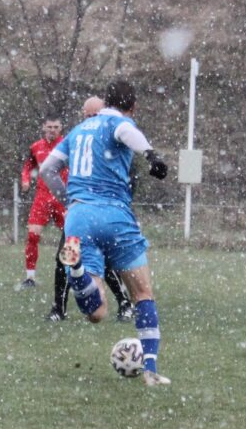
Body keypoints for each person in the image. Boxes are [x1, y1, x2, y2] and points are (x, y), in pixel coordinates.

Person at [39, 79, 172, 386]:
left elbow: (46, 170)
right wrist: (151, 155)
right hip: (115, 215)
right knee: (142, 294)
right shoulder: (118, 123)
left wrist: (69, 200)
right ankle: (150, 369)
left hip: (78, 218)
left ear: (105, 102)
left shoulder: (76, 131)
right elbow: (126, 131)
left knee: (96, 312)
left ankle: (78, 273)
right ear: (132, 106)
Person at [48, 97, 133, 323]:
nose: (91, 120)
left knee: (107, 261)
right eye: (87, 116)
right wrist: (69, 200)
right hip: (80, 213)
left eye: (94, 116)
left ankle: (125, 303)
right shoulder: (77, 136)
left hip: (105, 212)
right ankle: (59, 308)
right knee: (65, 257)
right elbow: (49, 169)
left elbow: (127, 175)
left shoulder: (112, 136)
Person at [19, 115, 66, 289]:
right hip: (42, 196)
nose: (52, 130)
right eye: (49, 127)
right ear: (44, 128)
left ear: (60, 128)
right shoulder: (36, 147)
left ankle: (76, 274)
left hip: (62, 197)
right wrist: (25, 179)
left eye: (56, 127)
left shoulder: (67, 145)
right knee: (32, 235)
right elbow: (28, 166)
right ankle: (30, 278)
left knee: (72, 237)